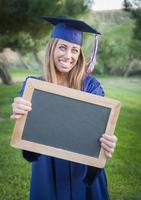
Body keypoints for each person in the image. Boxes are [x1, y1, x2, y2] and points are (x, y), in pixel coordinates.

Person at [11, 16, 117, 200]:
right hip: (47, 168)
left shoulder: (91, 87)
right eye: (62, 47)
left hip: (82, 169)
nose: (69, 56)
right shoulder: (34, 86)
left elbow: (98, 129)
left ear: (80, 54)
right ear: (51, 49)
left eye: (75, 50)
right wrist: (21, 114)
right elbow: (29, 149)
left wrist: (106, 141)